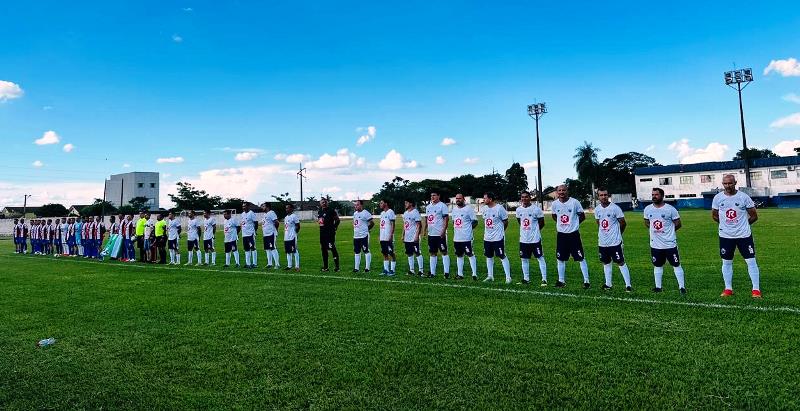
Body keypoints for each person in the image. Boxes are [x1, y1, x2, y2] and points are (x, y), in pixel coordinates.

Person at [712, 174, 761, 298]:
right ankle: (728, 289)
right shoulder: (718, 198)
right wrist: (726, 225)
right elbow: (714, 215)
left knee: (751, 261)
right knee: (726, 262)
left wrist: (744, 225)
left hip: (744, 235)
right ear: (723, 184)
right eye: (725, 183)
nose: (727, 186)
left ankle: (756, 290)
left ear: (735, 183)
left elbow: (754, 216)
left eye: (730, 183)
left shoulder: (743, 197)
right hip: (725, 236)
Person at [644, 188, 686, 294]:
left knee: (676, 264)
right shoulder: (648, 209)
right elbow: (647, 222)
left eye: (656, 194)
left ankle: (682, 287)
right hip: (655, 244)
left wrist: (669, 232)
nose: (654, 196)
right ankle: (658, 287)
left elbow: (678, 223)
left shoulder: (670, 209)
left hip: (669, 244)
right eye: (653, 194)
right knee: (657, 265)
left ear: (662, 196)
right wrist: (655, 232)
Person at [551, 184, 590, 289]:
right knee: (560, 258)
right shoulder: (554, 204)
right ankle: (561, 281)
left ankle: (586, 281)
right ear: (557, 192)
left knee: (580, 257)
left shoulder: (574, 202)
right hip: (561, 236)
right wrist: (562, 225)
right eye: (559, 190)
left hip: (573, 235)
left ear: (567, 191)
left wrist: (574, 224)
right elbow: (554, 216)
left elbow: (582, 216)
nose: (562, 192)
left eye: (564, 190)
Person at [595, 189, 632, 292]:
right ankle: (608, 284)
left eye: (605, 195)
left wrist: (618, 234)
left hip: (615, 242)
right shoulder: (597, 209)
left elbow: (623, 223)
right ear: (598, 197)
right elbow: (599, 223)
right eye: (601, 195)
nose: (603, 197)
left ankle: (628, 285)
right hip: (602, 242)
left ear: (608, 195)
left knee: (620, 262)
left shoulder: (615, 208)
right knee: (606, 263)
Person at [517, 191, 547, 286]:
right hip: (523, 239)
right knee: (524, 259)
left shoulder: (536, 209)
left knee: (540, 258)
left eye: (526, 197)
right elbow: (520, 222)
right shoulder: (518, 210)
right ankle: (526, 278)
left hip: (535, 239)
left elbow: (542, 222)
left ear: (530, 198)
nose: (524, 199)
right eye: (522, 197)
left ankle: (544, 279)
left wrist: (536, 231)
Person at [482, 192, 512, 283]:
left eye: (485, 198)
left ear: (490, 199)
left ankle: (508, 277)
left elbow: (505, 221)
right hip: (487, 237)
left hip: (498, 237)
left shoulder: (499, 208)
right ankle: (490, 276)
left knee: (501, 255)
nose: (484, 200)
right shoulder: (484, 209)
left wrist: (501, 231)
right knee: (488, 256)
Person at [451, 193, 478, 280]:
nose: (458, 200)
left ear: (464, 199)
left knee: (470, 254)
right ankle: (460, 274)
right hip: (457, 237)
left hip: (467, 237)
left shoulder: (469, 209)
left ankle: (474, 274)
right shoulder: (454, 210)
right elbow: (453, 222)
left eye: (460, 198)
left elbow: (475, 221)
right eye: (456, 198)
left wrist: (468, 229)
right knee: (459, 255)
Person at [424, 192, 450, 278]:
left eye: (434, 195)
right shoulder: (428, 207)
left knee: (444, 252)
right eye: (431, 195)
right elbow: (427, 219)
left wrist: (443, 231)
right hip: (431, 234)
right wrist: (424, 230)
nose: (432, 197)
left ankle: (446, 273)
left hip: (440, 234)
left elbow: (446, 219)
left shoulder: (442, 206)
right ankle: (432, 273)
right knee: (432, 253)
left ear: (439, 196)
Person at [317, 199, 340, 272]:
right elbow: (320, 222)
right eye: (322, 202)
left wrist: (334, 227)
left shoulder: (331, 210)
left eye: (325, 202)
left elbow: (337, 220)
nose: (324, 203)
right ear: (320, 204)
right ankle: (326, 267)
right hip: (322, 233)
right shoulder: (320, 211)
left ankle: (337, 267)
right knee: (323, 250)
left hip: (329, 233)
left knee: (332, 248)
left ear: (327, 203)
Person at [402, 199, 424, 276]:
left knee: (417, 252)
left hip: (414, 237)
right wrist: (403, 235)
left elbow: (419, 225)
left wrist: (417, 236)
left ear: (411, 203)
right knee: (409, 253)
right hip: (407, 237)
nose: (405, 204)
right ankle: (412, 270)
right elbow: (405, 225)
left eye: (406, 203)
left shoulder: (415, 212)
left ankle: (421, 270)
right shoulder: (405, 213)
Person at [352, 200, 374, 273]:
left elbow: (372, 223)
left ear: (361, 205)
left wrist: (367, 230)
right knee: (357, 251)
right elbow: (355, 223)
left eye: (357, 205)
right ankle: (356, 268)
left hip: (364, 235)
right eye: (355, 205)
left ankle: (367, 268)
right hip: (356, 236)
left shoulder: (365, 213)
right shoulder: (355, 213)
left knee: (366, 250)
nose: (356, 206)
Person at [378, 200, 397, 276]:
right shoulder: (382, 213)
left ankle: (392, 270)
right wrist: (380, 235)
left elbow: (393, 224)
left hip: (388, 237)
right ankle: (386, 270)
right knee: (384, 253)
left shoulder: (390, 212)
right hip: (383, 237)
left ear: (386, 203)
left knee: (391, 253)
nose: (380, 204)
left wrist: (391, 235)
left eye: (381, 203)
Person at [262, 203, 280, 269]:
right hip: (266, 234)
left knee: (273, 248)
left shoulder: (271, 213)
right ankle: (269, 263)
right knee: (267, 249)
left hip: (271, 233)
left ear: (267, 207)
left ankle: (277, 264)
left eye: (263, 206)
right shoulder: (264, 214)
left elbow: (276, 222)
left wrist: (276, 230)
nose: (262, 208)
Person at [283, 204, 301, 271]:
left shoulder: (294, 216)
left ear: (292, 209)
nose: (286, 209)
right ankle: (289, 265)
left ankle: (297, 266)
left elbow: (298, 226)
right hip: (286, 236)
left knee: (294, 251)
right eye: (286, 208)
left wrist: (295, 233)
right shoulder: (286, 217)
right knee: (288, 251)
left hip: (292, 236)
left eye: (288, 208)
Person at [241, 203, 259, 269]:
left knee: (253, 248)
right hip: (244, 234)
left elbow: (256, 223)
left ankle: (254, 263)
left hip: (250, 234)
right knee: (246, 249)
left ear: (248, 206)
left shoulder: (251, 213)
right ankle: (248, 263)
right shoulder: (242, 214)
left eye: (245, 206)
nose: (243, 207)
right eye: (243, 206)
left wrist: (255, 231)